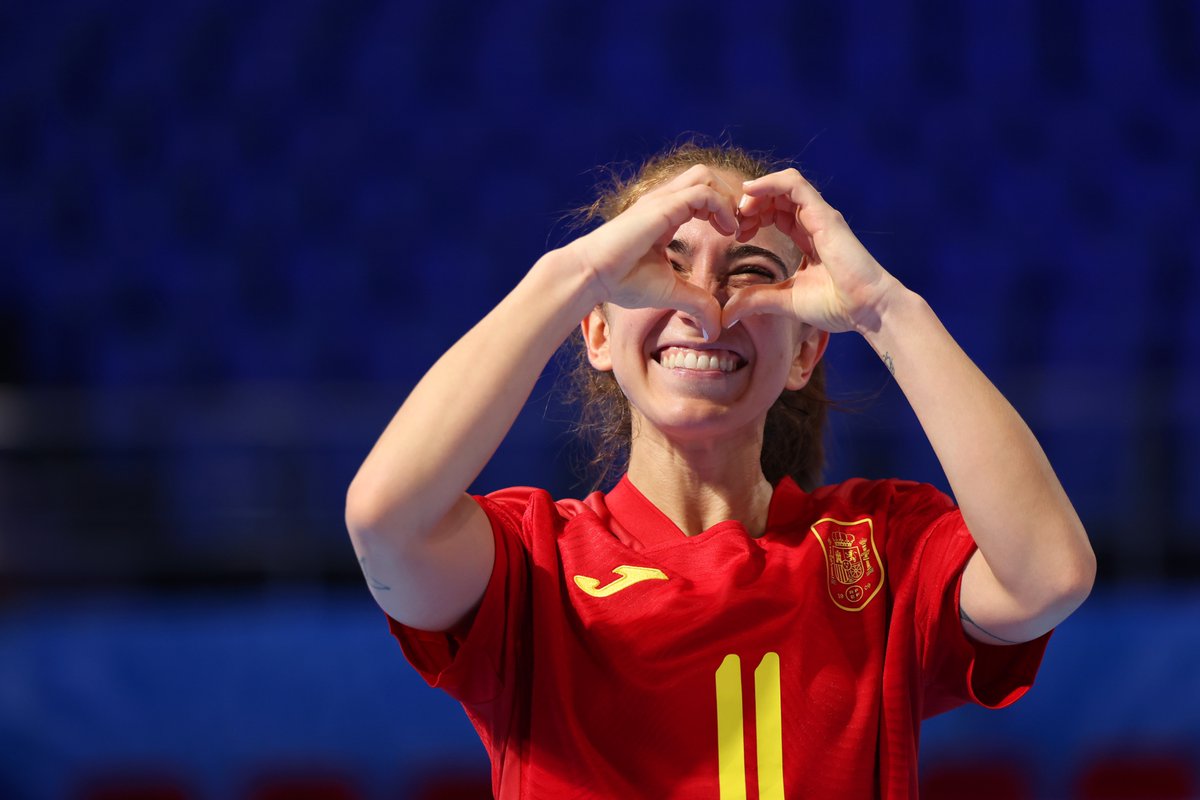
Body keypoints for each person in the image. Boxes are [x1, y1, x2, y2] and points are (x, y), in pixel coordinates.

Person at [344, 141, 1096, 799]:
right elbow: (385, 521)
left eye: (750, 274)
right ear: (597, 332)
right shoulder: (534, 562)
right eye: (660, 269)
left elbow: (1049, 576)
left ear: (804, 351)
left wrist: (884, 308)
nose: (706, 306)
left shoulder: (880, 548)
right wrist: (577, 271)